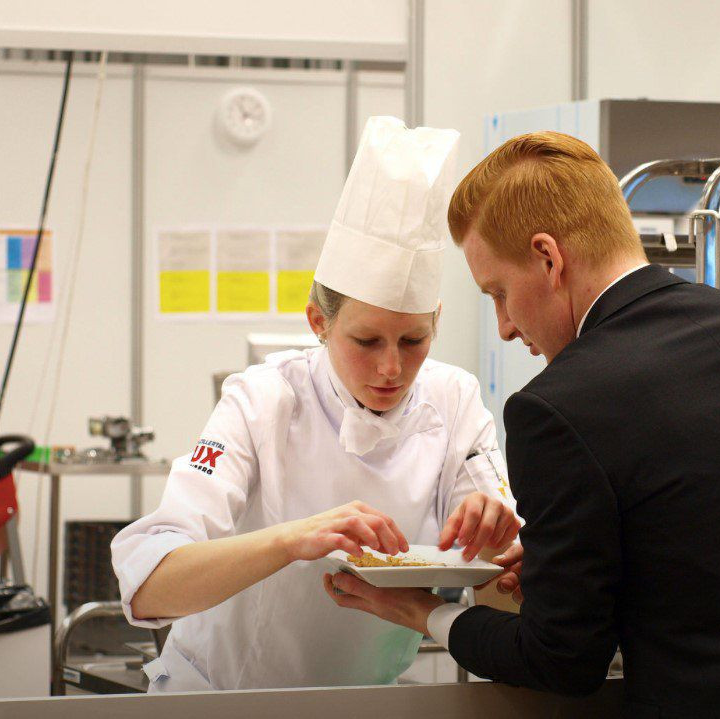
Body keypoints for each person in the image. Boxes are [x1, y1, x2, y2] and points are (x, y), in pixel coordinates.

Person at [324, 131, 720, 718]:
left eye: (499, 293)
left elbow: (562, 662)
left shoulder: (557, 408)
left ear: (548, 258)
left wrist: (420, 612)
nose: (505, 326)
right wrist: (576, 558)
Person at [111, 116, 519, 692]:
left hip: (366, 698)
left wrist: (500, 541)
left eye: (413, 341)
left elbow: (502, 596)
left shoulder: (454, 401)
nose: (391, 368)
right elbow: (150, 585)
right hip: (220, 696)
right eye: (365, 341)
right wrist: (292, 539)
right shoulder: (262, 399)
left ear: (437, 325)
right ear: (318, 323)